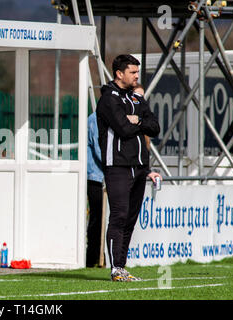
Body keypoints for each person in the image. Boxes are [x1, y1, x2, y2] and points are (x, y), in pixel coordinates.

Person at [96, 54, 161, 282]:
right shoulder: (108, 98)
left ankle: (122, 266)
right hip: (118, 166)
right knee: (119, 216)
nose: (136, 76)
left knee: (130, 219)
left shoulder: (135, 97)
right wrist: (134, 122)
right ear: (119, 73)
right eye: (132, 72)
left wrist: (138, 121)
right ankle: (115, 268)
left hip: (139, 167)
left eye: (137, 72)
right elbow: (123, 129)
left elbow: (154, 127)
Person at [86, 112, 104, 267]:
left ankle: (101, 256)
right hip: (96, 177)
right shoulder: (95, 119)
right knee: (96, 218)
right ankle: (92, 257)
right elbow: (100, 151)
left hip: (104, 176)